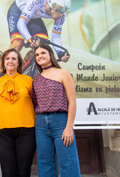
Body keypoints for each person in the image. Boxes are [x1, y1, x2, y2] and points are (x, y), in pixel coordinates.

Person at [32, 44, 81, 177]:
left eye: (43, 53)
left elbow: (72, 102)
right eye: (37, 55)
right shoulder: (36, 79)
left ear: (50, 55)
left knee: (68, 160)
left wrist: (69, 127)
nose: (40, 56)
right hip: (41, 123)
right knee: (44, 162)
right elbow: (35, 103)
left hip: (60, 121)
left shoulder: (63, 73)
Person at [0, 48, 36, 177]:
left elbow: (36, 103)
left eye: (14, 58)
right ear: (3, 63)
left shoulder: (28, 80)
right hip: (2, 131)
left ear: (19, 63)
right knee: (8, 171)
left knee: (24, 170)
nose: (10, 61)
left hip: (26, 130)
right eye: (7, 58)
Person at [7, 0, 71, 63]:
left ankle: (24, 66)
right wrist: (30, 39)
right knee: (18, 43)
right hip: (17, 12)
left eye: (65, 10)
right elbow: (21, 23)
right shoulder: (38, 0)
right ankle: (0, 70)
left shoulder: (61, 15)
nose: (61, 14)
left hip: (34, 17)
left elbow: (56, 37)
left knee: (44, 47)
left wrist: (60, 52)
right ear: (52, 5)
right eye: (61, 10)